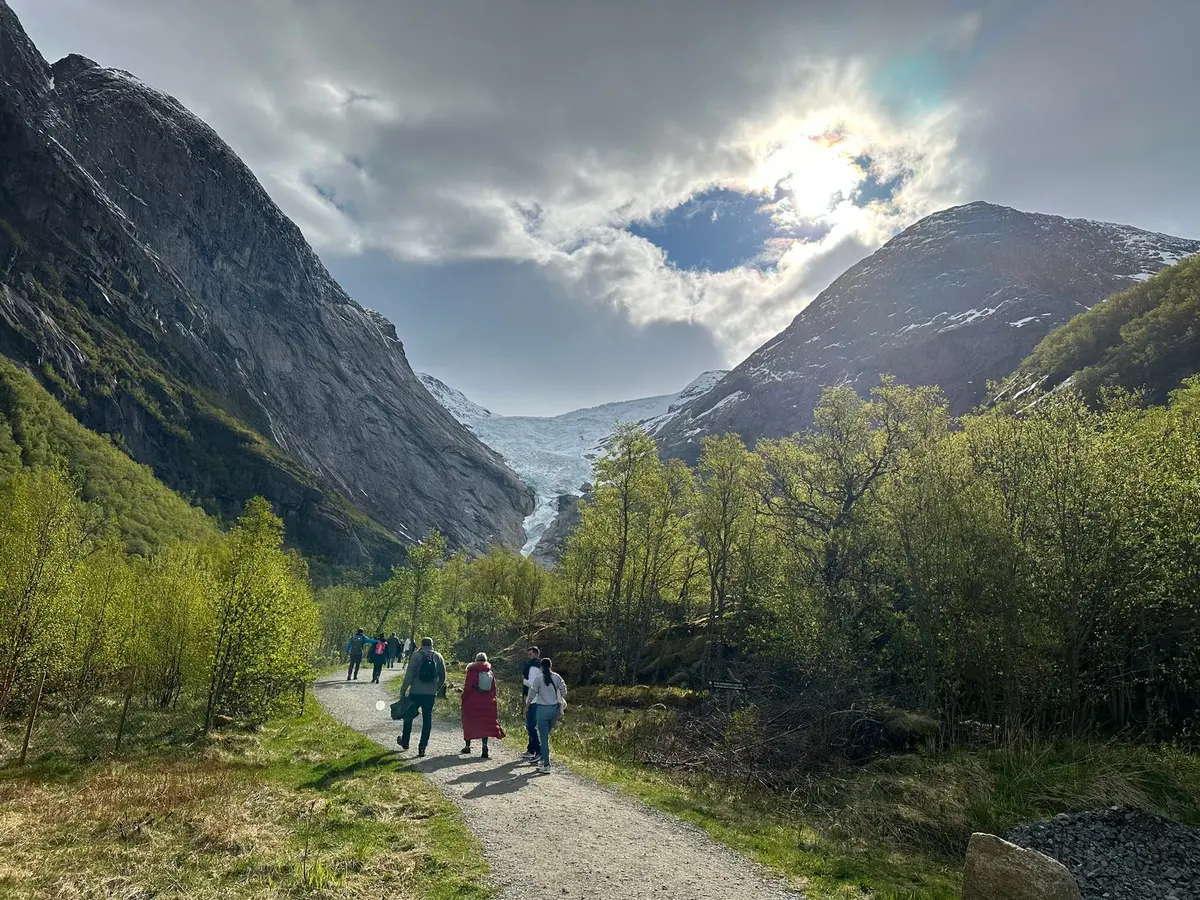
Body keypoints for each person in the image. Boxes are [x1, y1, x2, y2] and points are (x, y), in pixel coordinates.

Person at [396, 637, 446, 757]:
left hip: (416, 692)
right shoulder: (438, 656)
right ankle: (422, 747)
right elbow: (443, 676)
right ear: (432, 645)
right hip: (430, 694)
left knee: (409, 716)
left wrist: (403, 690)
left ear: (421, 644)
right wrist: (436, 689)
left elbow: (409, 674)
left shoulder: (416, 655)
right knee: (427, 719)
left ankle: (405, 741)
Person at [525, 657, 567, 774]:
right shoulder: (557, 677)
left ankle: (546, 764)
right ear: (551, 665)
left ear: (541, 667)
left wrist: (527, 705)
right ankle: (543, 760)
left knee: (544, 738)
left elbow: (532, 692)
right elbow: (564, 691)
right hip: (555, 710)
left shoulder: (539, 679)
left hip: (542, 710)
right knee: (545, 736)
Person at [460, 652, 505, 759]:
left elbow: (468, 688)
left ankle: (467, 746)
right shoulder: (490, 672)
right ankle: (484, 746)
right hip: (488, 701)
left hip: (473, 701)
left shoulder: (472, 672)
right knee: (485, 724)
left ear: (476, 660)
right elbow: (494, 688)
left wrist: (463, 698)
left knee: (469, 722)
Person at [520, 646, 542, 761]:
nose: (528, 656)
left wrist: (524, 680)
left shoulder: (533, 667)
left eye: (530, 654)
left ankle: (538, 751)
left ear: (535, 654)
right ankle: (531, 749)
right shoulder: (540, 667)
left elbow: (533, 684)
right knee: (531, 724)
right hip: (536, 699)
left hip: (534, 699)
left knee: (530, 726)